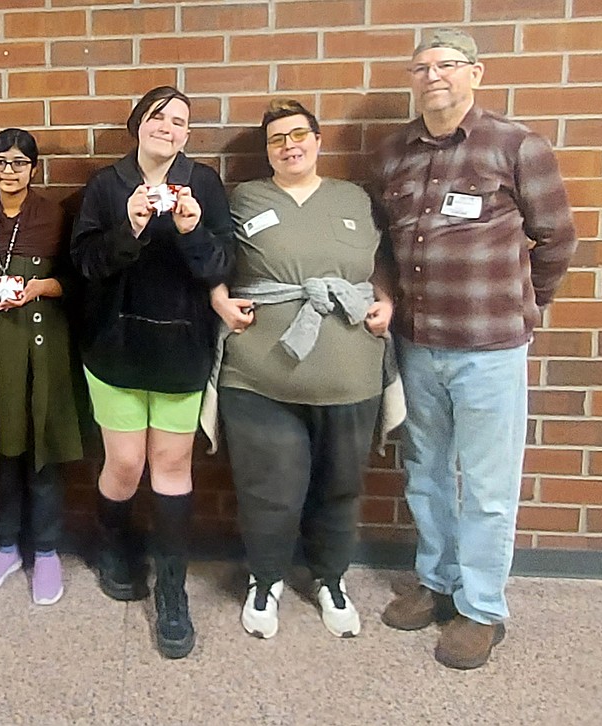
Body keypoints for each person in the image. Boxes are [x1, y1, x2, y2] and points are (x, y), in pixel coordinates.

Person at [372, 29, 576, 669]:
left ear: (476, 74)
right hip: (417, 345)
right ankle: (436, 582)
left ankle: (482, 608)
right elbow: (382, 247)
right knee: (425, 473)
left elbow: (558, 239)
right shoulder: (392, 156)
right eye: (422, 67)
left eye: (448, 65)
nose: (434, 75)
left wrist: (527, 304)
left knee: (489, 488)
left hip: (491, 350)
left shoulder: (516, 146)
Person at [208, 99, 394, 641]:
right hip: (261, 377)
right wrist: (219, 298)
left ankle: (330, 579)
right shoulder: (243, 199)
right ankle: (265, 580)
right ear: (266, 150)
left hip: (350, 374)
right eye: (276, 139)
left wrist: (388, 300)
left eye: (298, 135)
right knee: (270, 488)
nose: (289, 145)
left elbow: (385, 260)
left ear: (317, 140)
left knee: (340, 486)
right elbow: (209, 256)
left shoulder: (353, 198)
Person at [72, 86, 235, 659]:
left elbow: (220, 266)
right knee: (124, 462)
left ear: (188, 135)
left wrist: (192, 230)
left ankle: (172, 591)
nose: (168, 127)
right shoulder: (105, 185)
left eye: (180, 121)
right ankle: (113, 545)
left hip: (181, 347)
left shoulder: (205, 184)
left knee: (171, 465)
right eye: (158, 117)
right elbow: (86, 265)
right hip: (115, 347)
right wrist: (131, 228)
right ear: (137, 123)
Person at [0, 129, 83, 606]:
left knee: (42, 446)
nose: (9, 172)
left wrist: (42, 287)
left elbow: (79, 277)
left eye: (19, 163)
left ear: (34, 168)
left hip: (44, 343)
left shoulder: (54, 216)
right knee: (5, 449)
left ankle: (47, 549)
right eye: (1, 163)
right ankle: (7, 546)